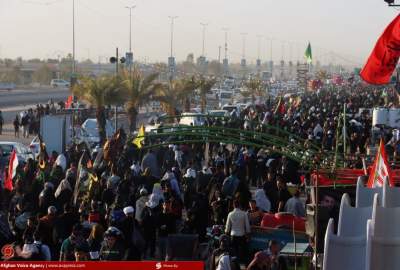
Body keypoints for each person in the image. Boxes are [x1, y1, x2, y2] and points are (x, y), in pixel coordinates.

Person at [225, 200, 250, 265]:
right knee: (242, 254)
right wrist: (248, 235)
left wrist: (226, 233)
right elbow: (247, 227)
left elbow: (227, 227)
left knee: (234, 254)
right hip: (242, 236)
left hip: (233, 236)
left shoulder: (230, 214)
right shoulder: (244, 214)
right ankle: (241, 265)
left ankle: (234, 265)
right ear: (239, 205)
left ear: (233, 205)